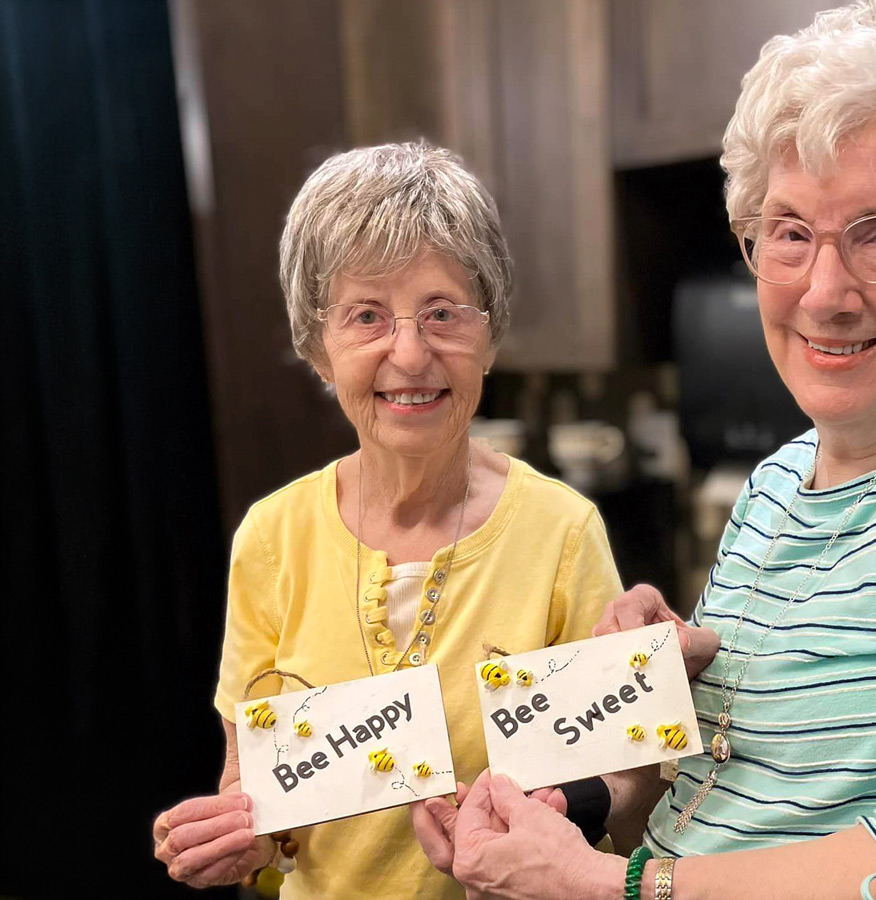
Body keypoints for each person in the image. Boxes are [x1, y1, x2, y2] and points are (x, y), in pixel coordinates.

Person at [412, 2, 876, 898]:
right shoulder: (777, 486)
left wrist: (607, 889)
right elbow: (730, 796)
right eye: (791, 234)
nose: (824, 291)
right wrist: (582, 796)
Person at [152, 141, 623, 898]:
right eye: (366, 316)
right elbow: (258, 789)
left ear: (490, 333)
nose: (409, 354)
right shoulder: (272, 540)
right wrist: (236, 838)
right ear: (318, 347)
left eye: (442, 313)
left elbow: (620, 773)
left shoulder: (562, 533)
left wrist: (564, 809)